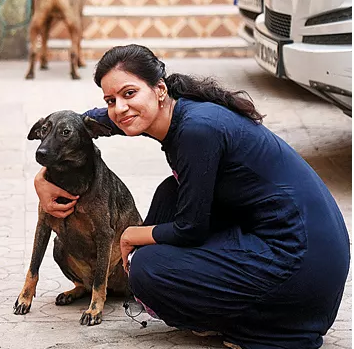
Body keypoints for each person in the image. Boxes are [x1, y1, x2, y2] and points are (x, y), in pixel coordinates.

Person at [33, 44, 350, 349]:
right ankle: (217, 302)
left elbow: (190, 228)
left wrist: (130, 235)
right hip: (297, 246)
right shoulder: (172, 112)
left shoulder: (197, 130)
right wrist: (42, 178)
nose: (119, 108)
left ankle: (266, 326)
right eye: (110, 99)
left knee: (147, 268)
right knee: (170, 193)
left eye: (129, 93)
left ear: (159, 90)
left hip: (303, 269)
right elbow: (76, 123)